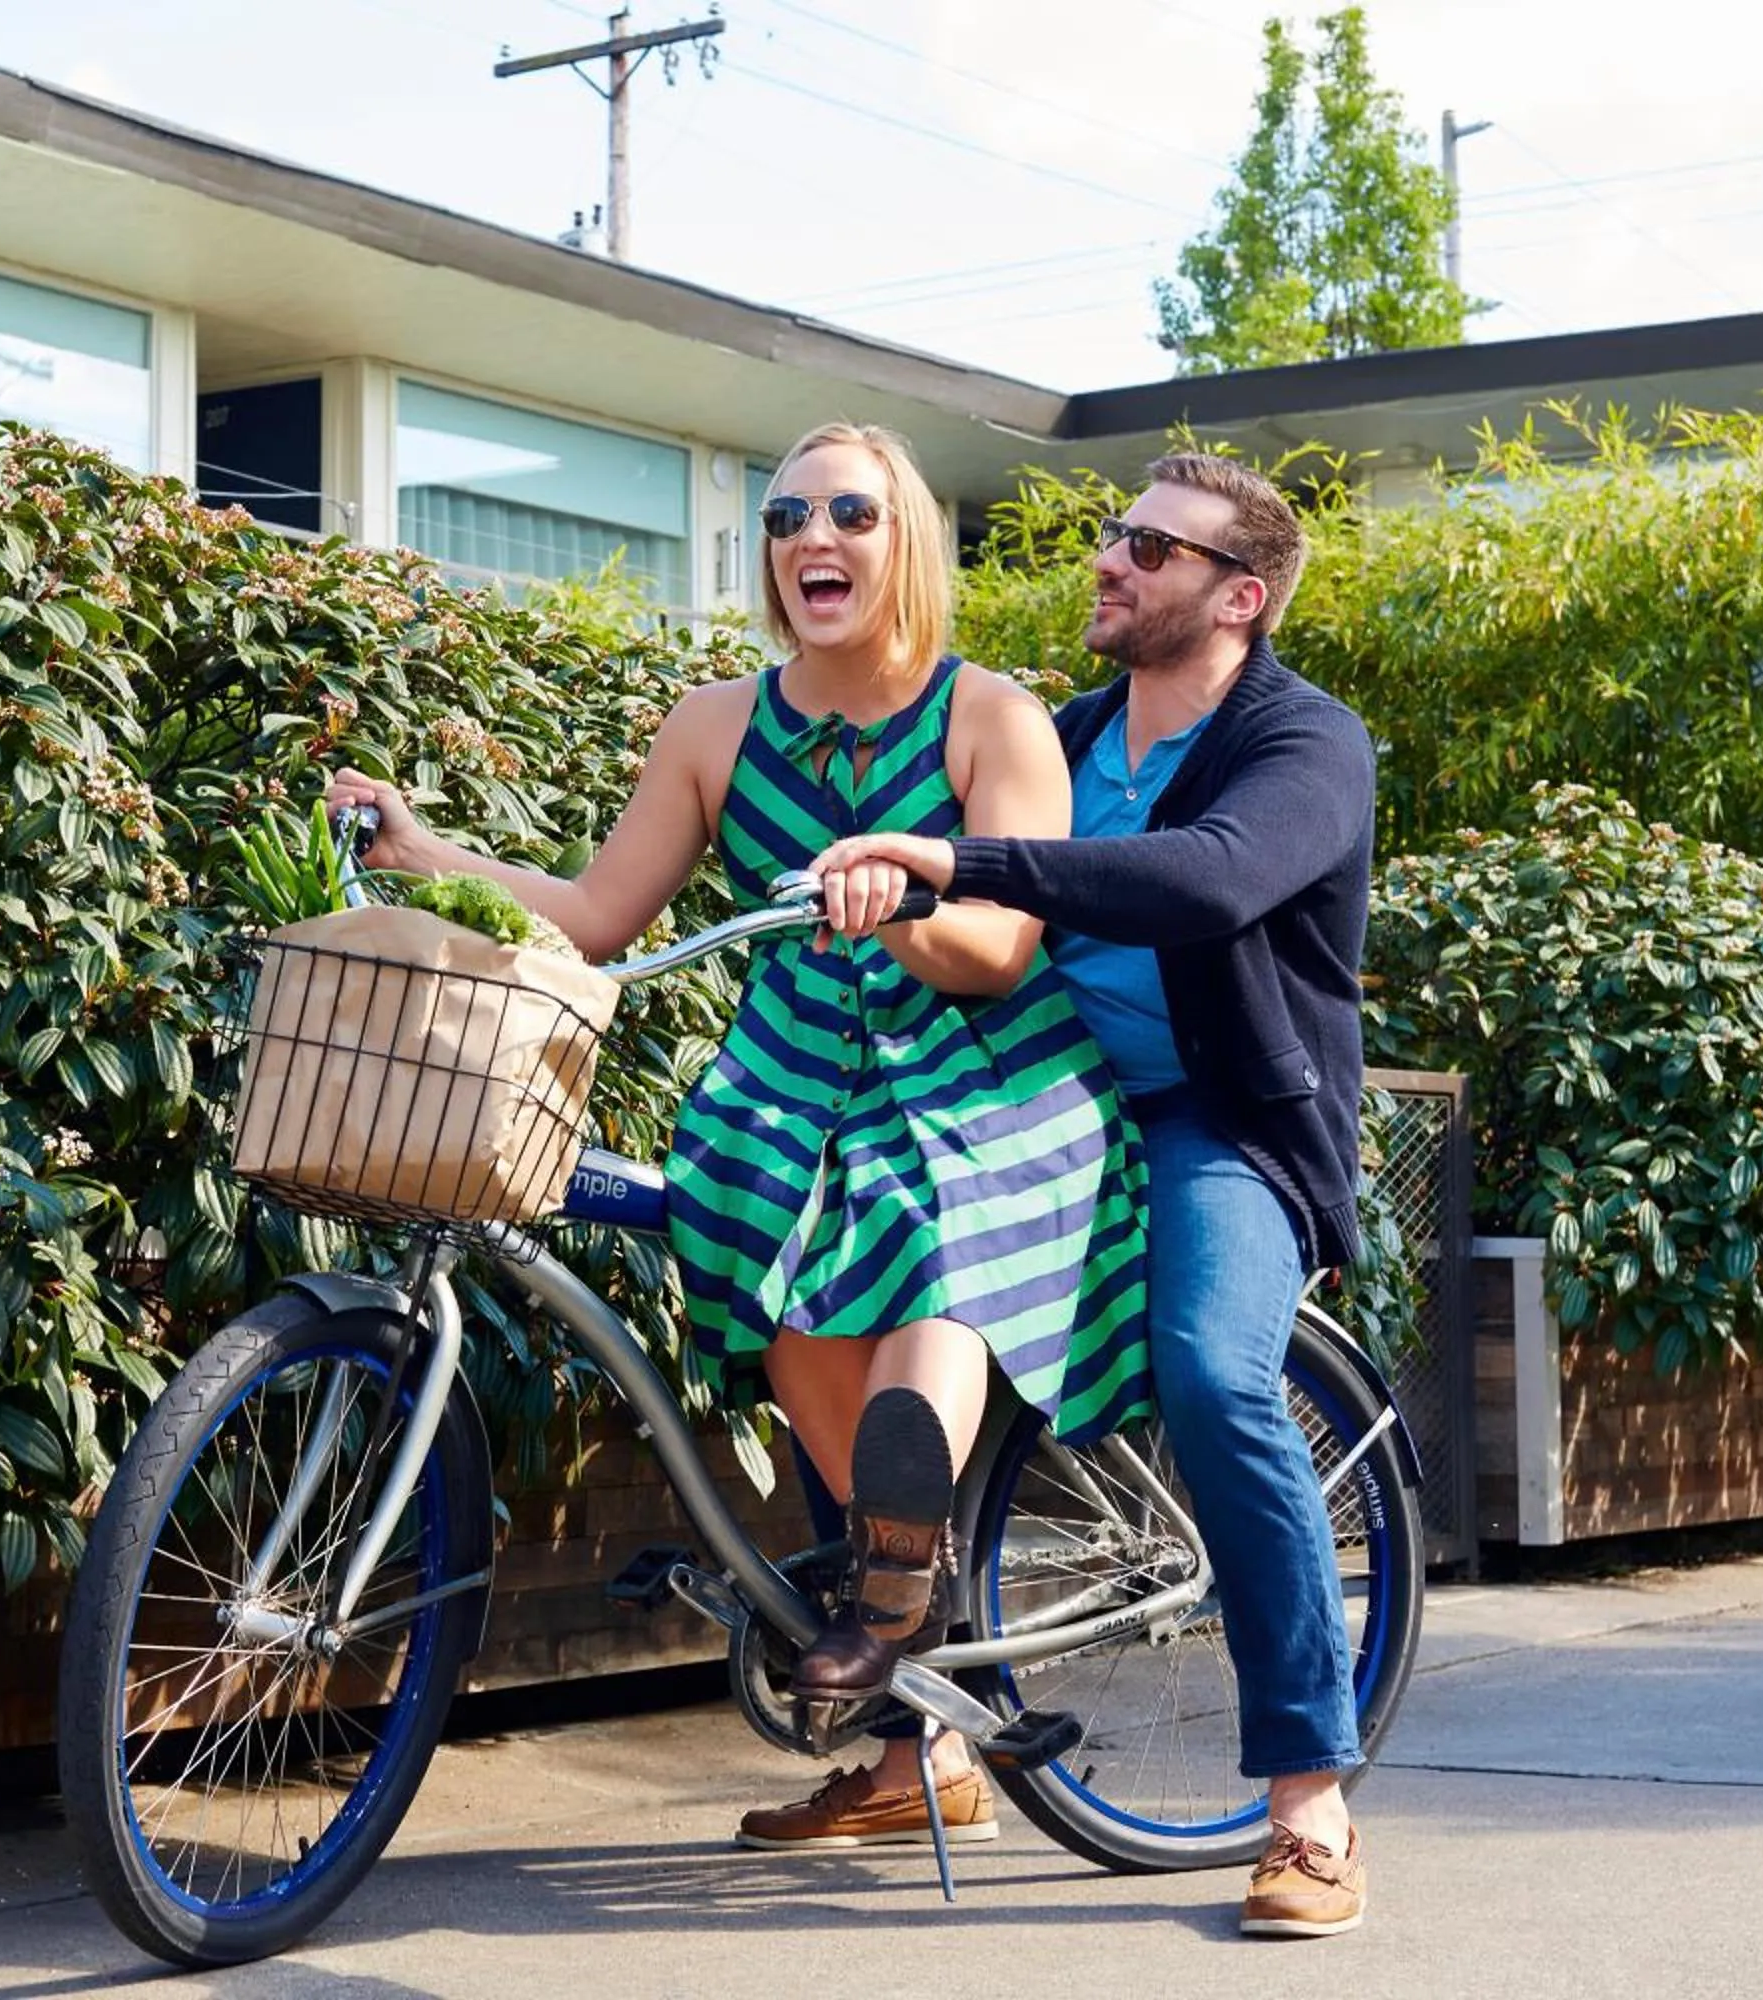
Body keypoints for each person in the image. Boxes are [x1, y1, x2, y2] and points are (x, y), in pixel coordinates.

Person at [324, 421, 1149, 1854]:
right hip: (790, 1072)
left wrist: (900, 896)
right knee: (733, 1210)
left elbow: (1008, 948)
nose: (812, 540)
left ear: (906, 544)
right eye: (785, 519)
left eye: (849, 513)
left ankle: (897, 1583)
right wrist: (431, 855)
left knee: (921, 1217)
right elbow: (594, 919)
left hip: (982, 1069)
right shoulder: (715, 727)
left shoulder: (990, 718)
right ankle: (911, 1673)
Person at [812, 452, 1378, 1939]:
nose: (1108, 562)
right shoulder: (1059, 736)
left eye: (1149, 546)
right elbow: (965, 909)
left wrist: (954, 855)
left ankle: (1309, 1803)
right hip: (1033, 1106)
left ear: (1237, 597)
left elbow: (1203, 881)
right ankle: (908, 1748)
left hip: (1218, 1125)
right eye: (1112, 538)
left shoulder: (1305, 743)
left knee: (1212, 1372)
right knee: (826, 1296)